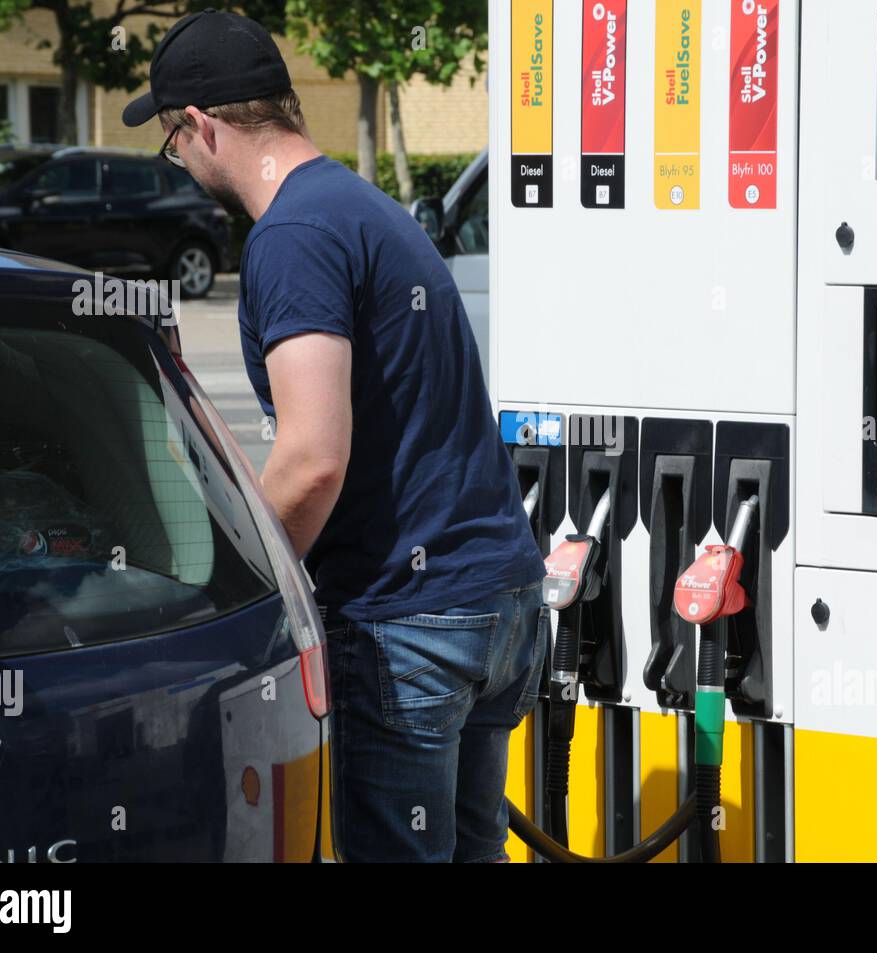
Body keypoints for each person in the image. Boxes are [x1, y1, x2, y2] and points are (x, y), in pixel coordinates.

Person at [122, 8, 546, 863]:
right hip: (496, 604)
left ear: (201, 127)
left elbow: (312, 459)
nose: (183, 161)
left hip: (410, 625)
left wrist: (231, 596)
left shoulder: (293, 237)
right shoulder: (365, 208)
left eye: (174, 140)